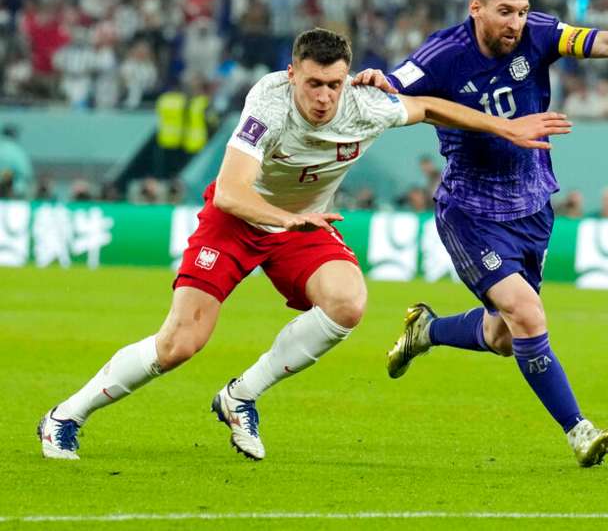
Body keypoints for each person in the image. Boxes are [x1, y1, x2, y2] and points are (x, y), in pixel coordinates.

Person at [37, 28, 571, 461]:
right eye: (314, 84)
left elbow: (430, 107)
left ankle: (240, 396)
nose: (324, 97)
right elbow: (229, 191)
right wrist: (284, 221)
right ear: (292, 74)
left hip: (303, 222)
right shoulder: (267, 104)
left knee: (348, 302)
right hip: (240, 219)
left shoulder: (365, 105)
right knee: (179, 344)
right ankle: (64, 417)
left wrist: (502, 128)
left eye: (334, 85)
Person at [381, 0, 608, 467]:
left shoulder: (537, 35)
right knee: (528, 315)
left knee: (501, 336)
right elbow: (392, 92)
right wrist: (372, 82)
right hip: (470, 212)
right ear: (476, 8)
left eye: (522, 10)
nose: (516, 22)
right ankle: (578, 430)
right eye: (505, 11)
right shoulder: (444, 54)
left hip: (533, 207)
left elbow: (600, 41)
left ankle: (426, 329)